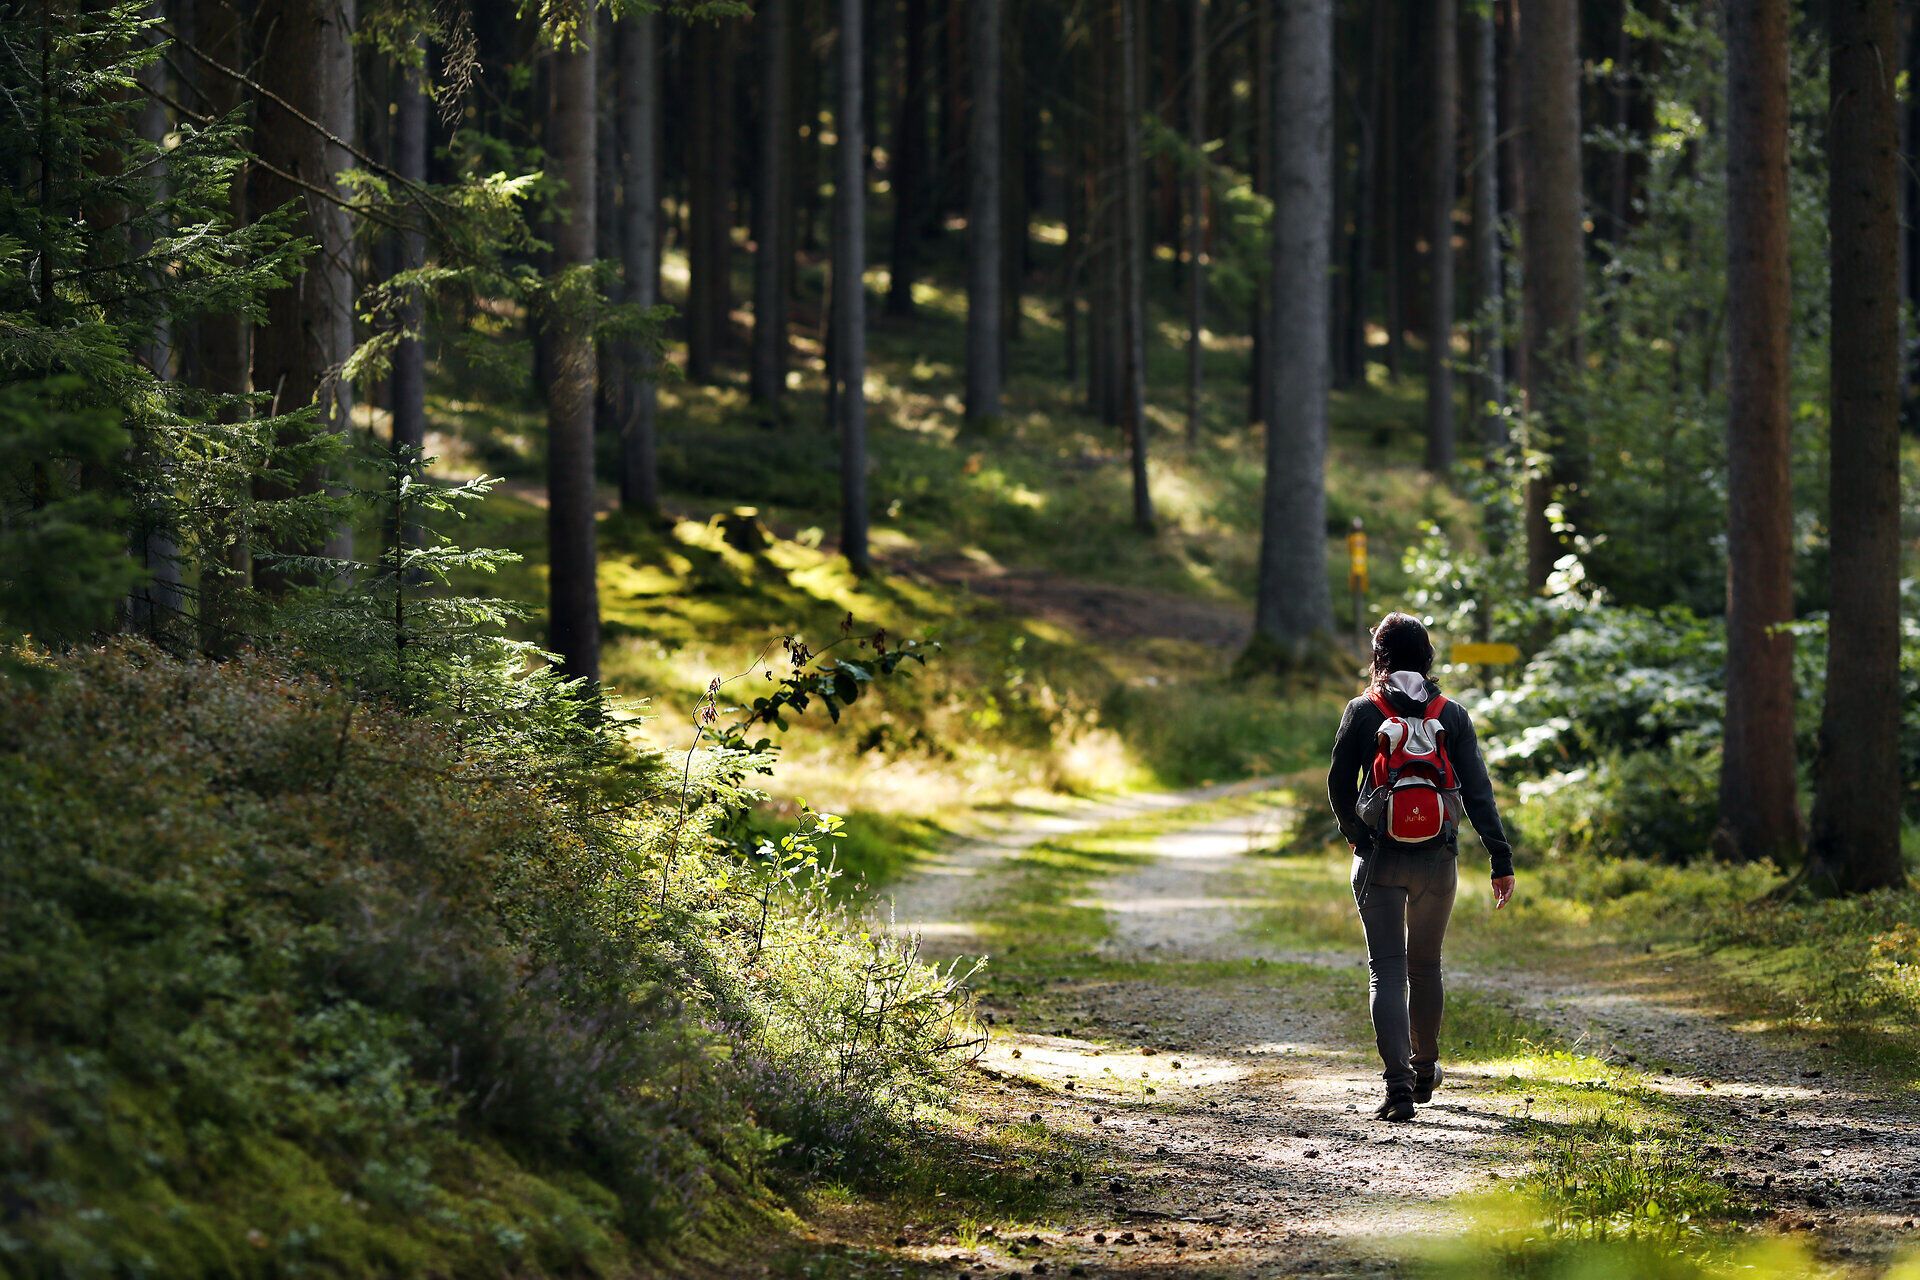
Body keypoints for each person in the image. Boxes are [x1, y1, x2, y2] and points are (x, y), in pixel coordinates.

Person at [1327, 612, 1515, 1122]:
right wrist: (1501, 858)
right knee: (1425, 965)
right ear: (1428, 658)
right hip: (1439, 859)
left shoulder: (1363, 711)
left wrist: (1357, 836)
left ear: (1379, 657)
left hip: (1380, 857)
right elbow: (1477, 791)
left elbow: (1338, 785)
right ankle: (1426, 1066)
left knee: (1386, 969)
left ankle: (1398, 1088)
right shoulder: (1451, 714)